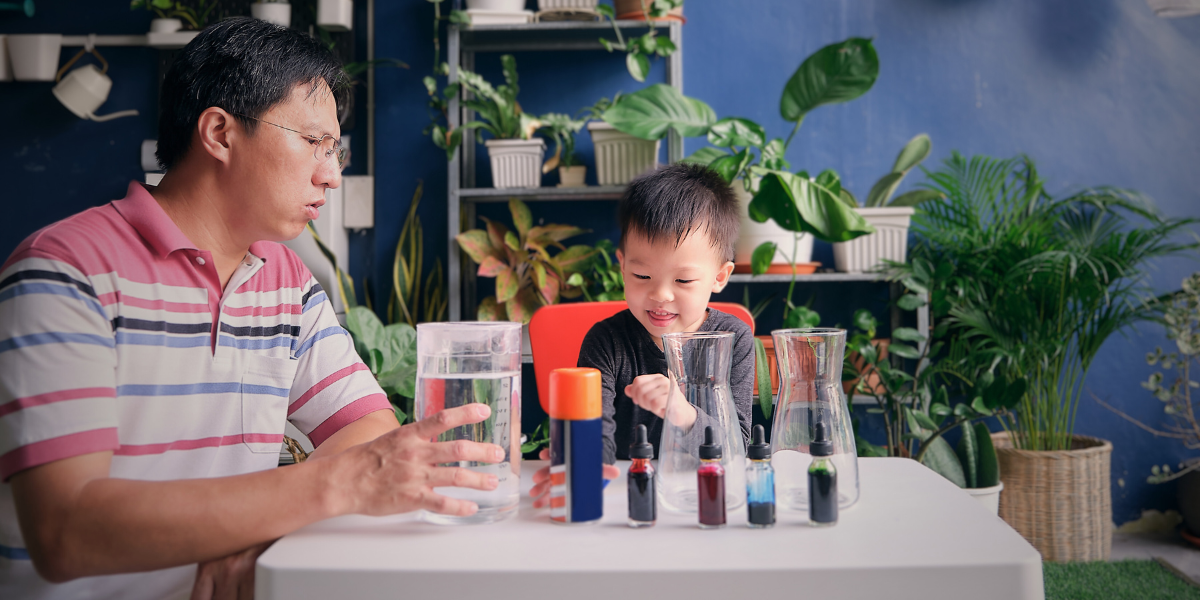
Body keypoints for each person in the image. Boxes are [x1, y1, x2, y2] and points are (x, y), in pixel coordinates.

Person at [0, 18, 502, 600]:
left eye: (334, 150)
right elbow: (67, 531)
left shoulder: (286, 281)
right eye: (314, 142)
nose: (332, 174)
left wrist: (256, 528)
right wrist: (309, 495)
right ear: (219, 132)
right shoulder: (62, 271)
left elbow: (366, 435)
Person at [529, 164, 754, 507]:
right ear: (622, 265)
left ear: (719, 277)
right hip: (627, 492)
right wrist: (583, 465)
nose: (661, 295)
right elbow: (597, 431)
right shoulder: (605, 341)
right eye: (641, 275)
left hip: (704, 495)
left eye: (683, 281)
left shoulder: (732, 339)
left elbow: (736, 445)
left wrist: (683, 413)